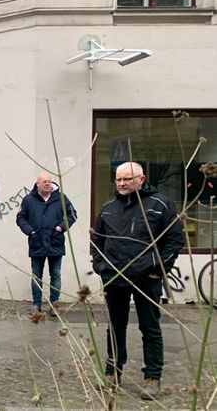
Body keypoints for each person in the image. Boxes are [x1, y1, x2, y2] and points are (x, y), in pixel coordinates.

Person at [91, 161, 183, 400]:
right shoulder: (108, 207)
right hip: (115, 279)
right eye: (118, 179)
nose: (122, 183)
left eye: (128, 179)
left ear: (141, 179)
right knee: (115, 327)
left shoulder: (161, 204)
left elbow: (174, 241)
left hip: (147, 279)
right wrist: (100, 267)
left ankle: (152, 377)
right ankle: (113, 372)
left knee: (150, 328)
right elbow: (97, 241)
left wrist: (158, 270)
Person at [16, 172, 77, 315]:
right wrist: (30, 231)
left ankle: (54, 305)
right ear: (37, 184)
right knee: (37, 275)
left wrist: (61, 227)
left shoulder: (61, 198)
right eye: (44, 181)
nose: (47, 183)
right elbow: (20, 218)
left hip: (55, 242)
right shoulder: (28, 200)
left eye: (49, 181)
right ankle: (36, 304)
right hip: (37, 242)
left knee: (55, 274)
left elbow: (72, 214)